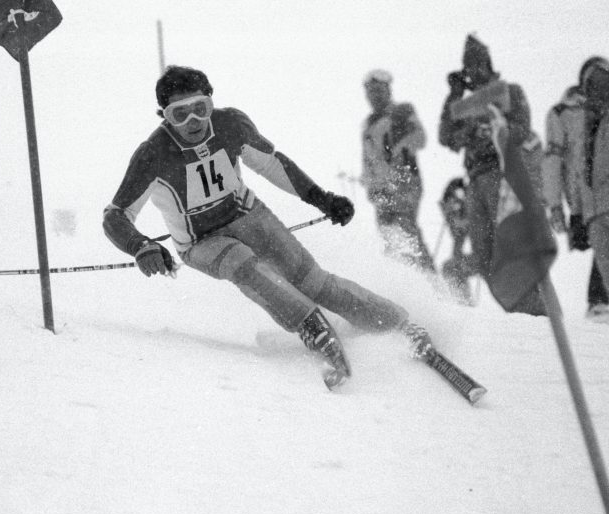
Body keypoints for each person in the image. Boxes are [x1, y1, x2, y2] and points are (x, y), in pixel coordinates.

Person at [103, 65, 433, 390]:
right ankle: (312, 327)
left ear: (211, 103)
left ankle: (396, 323)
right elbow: (116, 214)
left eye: (200, 109)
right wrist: (140, 245)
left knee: (312, 281)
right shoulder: (153, 154)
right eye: (180, 114)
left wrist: (321, 198)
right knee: (240, 262)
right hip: (201, 241)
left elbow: (272, 164)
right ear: (164, 115)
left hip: (247, 215)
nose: (193, 122)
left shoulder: (229, 124)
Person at [438, 34, 546, 316]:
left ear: (488, 64)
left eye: (477, 63)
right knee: (484, 255)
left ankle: (536, 311)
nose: (473, 70)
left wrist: (494, 130)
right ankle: (520, 310)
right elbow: (445, 136)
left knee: (512, 247)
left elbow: (523, 129)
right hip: (475, 181)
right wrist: (454, 94)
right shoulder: (465, 104)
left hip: (503, 174)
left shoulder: (509, 91)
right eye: (467, 65)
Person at [542, 58, 609, 321]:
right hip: (586, 198)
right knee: (600, 244)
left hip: (591, 200)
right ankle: (599, 301)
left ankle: (599, 300)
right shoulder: (564, 114)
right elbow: (554, 161)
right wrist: (555, 204)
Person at [361, 70, 435, 273]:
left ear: (388, 91)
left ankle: (430, 280)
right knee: (390, 237)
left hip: (404, 181)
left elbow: (419, 137)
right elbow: (368, 159)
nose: (375, 96)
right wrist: (370, 184)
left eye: (379, 90)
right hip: (381, 188)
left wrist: (399, 147)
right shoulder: (368, 124)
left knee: (405, 229)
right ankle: (405, 279)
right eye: (371, 91)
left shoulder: (401, 112)